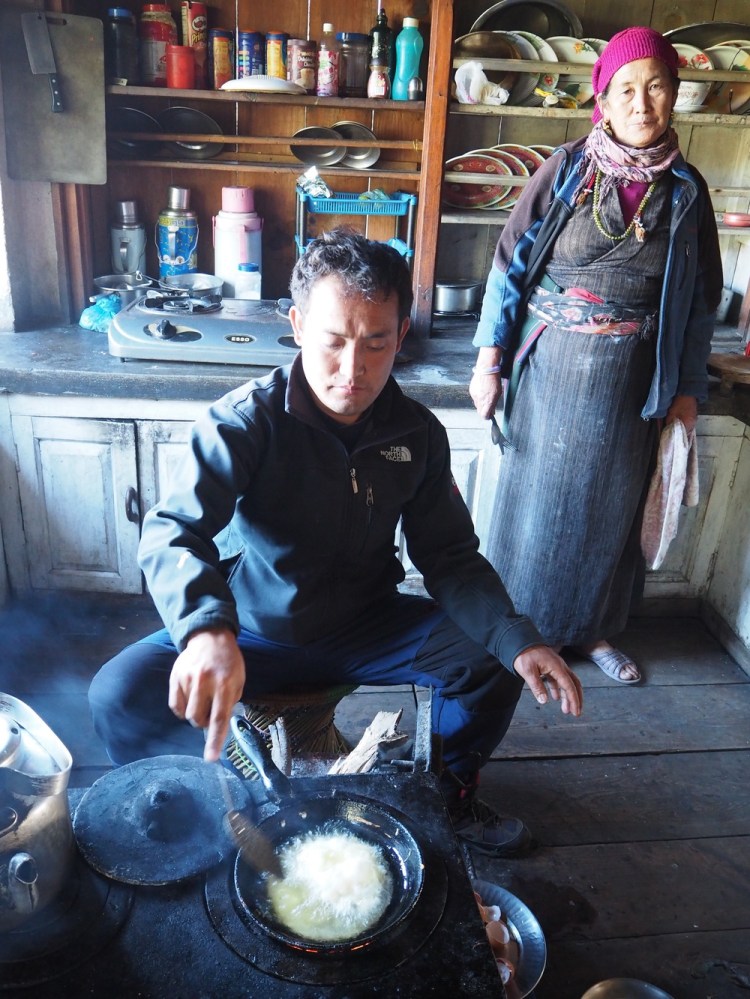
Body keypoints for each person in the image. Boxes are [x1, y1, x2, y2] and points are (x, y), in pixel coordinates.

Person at [89, 228, 583, 858]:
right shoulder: (244, 422)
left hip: (368, 625)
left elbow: (449, 558)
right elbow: (172, 531)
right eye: (333, 342)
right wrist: (206, 628)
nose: (352, 370)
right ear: (296, 326)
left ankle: (447, 798)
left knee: (493, 658)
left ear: (401, 335)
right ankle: (189, 807)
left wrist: (517, 636)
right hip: (255, 630)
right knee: (118, 691)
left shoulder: (417, 434)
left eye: (376, 344)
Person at [470, 27, 722, 685]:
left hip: (635, 381)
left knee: (612, 511)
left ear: (675, 98)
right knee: (535, 509)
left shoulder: (689, 194)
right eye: (626, 90)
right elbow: (508, 265)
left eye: (657, 87)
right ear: (602, 101)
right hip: (549, 370)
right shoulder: (566, 170)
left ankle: (596, 632)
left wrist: (688, 391)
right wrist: (487, 359)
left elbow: (699, 303)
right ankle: (515, 633)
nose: (642, 104)